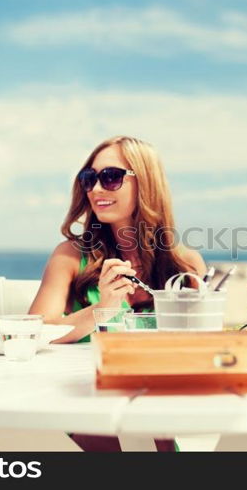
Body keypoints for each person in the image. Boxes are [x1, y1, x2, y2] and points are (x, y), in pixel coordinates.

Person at [29, 135, 205, 451]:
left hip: (157, 415)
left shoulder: (186, 264)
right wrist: (101, 311)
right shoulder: (70, 255)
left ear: (146, 184)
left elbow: (200, 351)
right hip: (86, 412)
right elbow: (29, 333)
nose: (95, 189)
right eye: (89, 179)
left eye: (110, 177)